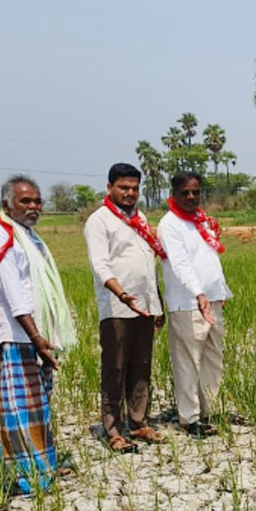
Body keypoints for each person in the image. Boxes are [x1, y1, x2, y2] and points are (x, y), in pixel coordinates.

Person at [0, 175, 77, 494]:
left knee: (30, 402)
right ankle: (30, 474)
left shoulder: (27, 236)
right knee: (20, 407)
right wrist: (36, 338)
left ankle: (37, 464)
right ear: (7, 204)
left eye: (36, 201)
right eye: (25, 201)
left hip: (32, 334)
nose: (33, 207)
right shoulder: (1, 238)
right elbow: (15, 296)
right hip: (15, 334)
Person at [84, 163, 166, 453]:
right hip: (117, 308)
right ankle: (113, 429)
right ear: (110, 188)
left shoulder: (140, 218)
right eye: (124, 188)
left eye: (134, 188)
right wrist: (122, 294)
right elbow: (99, 264)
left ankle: (138, 421)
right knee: (115, 368)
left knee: (141, 366)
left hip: (145, 306)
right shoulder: (100, 220)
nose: (130, 193)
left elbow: (148, 264)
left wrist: (157, 303)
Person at [158, 171, 233, 438]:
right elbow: (179, 264)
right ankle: (188, 418)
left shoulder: (201, 221)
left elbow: (210, 259)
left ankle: (210, 410)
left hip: (212, 300)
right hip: (188, 303)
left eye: (195, 192)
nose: (191, 197)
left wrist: (219, 291)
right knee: (188, 361)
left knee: (213, 357)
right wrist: (199, 294)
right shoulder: (170, 224)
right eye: (185, 193)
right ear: (174, 194)